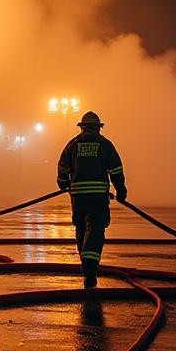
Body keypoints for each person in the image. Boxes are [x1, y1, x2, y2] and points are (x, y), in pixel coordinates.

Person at [56, 111, 127, 288]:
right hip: (97, 197)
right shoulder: (104, 145)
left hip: (78, 197)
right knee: (95, 230)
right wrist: (121, 190)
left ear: (82, 127)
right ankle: (90, 269)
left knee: (81, 228)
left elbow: (62, 166)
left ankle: (85, 265)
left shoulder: (73, 145)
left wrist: (63, 183)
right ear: (98, 128)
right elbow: (116, 169)